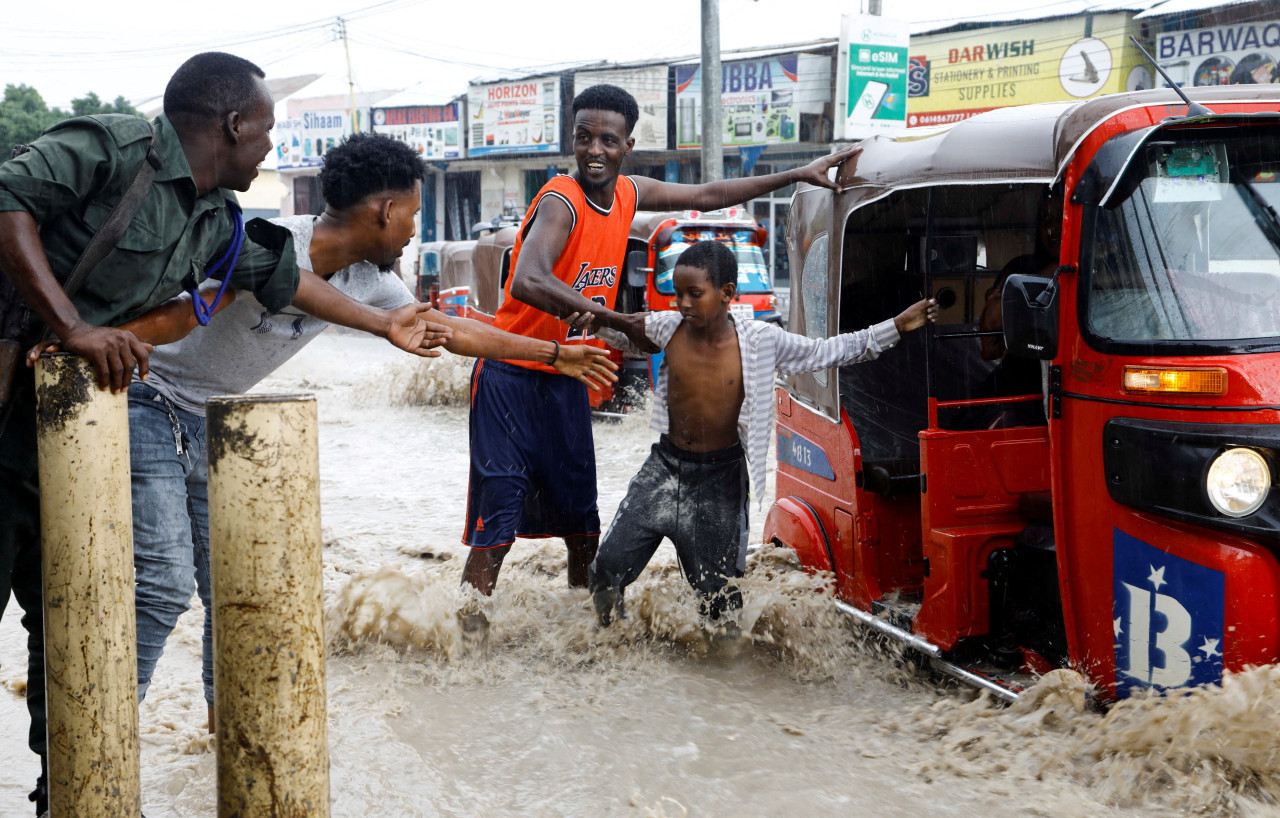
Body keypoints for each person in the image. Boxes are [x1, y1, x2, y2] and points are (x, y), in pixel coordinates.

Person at [0, 53, 445, 816]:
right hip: (22, 390)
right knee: (133, 585)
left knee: (69, 613)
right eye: (265, 130)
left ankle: (63, 791)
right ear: (233, 124)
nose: (271, 148)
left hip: (69, 422)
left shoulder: (215, 223)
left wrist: (383, 324)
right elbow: (7, 197)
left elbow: (284, 278)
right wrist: (74, 326)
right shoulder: (115, 148)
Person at [56, 132, 615, 736]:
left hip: (211, 418)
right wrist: (81, 337)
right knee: (164, 583)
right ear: (383, 211)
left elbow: (451, 332)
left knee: (232, 589)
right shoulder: (275, 244)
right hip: (145, 397)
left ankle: (226, 739)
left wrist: (554, 354)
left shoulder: (373, 282)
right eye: (412, 214)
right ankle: (99, 739)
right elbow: (188, 310)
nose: (411, 230)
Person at [459, 83, 860, 614]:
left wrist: (794, 175)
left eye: (607, 140)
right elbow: (527, 280)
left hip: (571, 374)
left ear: (628, 146)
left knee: (582, 521)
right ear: (572, 143)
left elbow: (706, 196)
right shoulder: (561, 199)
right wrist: (615, 319)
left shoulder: (627, 193)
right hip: (511, 373)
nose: (594, 151)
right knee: (499, 518)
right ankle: (465, 635)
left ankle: (584, 636)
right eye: (583, 139)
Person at [587, 240, 937, 627]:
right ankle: (610, 643)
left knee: (720, 606)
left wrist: (897, 327)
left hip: (722, 482)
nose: (683, 304)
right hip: (664, 468)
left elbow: (831, 351)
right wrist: (589, 318)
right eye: (677, 294)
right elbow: (621, 334)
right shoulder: (667, 327)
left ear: (727, 294)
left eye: (694, 294)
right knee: (606, 570)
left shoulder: (762, 340)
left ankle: (722, 680)